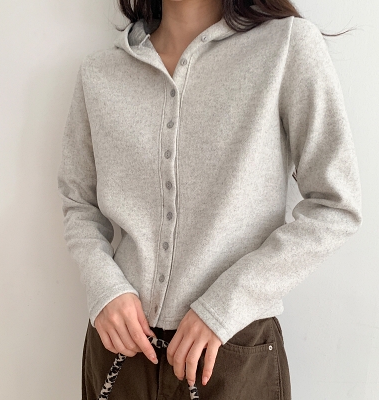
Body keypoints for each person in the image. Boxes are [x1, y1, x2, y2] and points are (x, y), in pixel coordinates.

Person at [57, 0, 363, 398]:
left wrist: (224, 306)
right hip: (120, 348)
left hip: (232, 351)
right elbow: (79, 202)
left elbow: (335, 205)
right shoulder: (100, 73)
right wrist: (105, 287)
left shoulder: (286, 46)